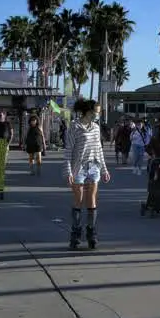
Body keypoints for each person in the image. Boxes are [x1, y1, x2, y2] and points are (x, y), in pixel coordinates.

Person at [64, 100, 110, 249]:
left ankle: (92, 234)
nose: (97, 115)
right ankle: (76, 234)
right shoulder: (75, 126)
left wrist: (104, 169)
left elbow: (99, 149)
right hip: (79, 168)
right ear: (87, 112)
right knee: (79, 201)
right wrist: (68, 171)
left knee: (91, 201)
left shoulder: (96, 128)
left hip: (93, 167)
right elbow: (68, 150)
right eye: (95, 112)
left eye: (98, 112)